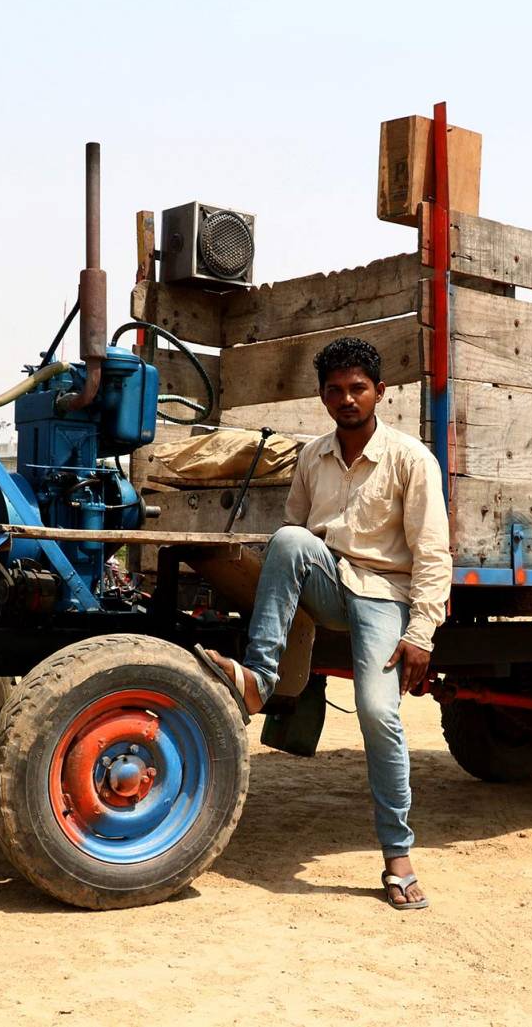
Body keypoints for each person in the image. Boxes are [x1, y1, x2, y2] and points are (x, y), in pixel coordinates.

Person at [196, 336, 451, 910]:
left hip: (387, 595)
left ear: (379, 392)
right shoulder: (312, 457)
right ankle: (260, 680)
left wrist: (420, 633)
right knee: (286, 538)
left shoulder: (411, 459)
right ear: (323, 397)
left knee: (378, 714)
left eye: (358, 387)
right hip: (331, 584)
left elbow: (433, 552)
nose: (347, 399)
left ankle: (398, 856)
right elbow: (296, 537)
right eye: (335, 390)